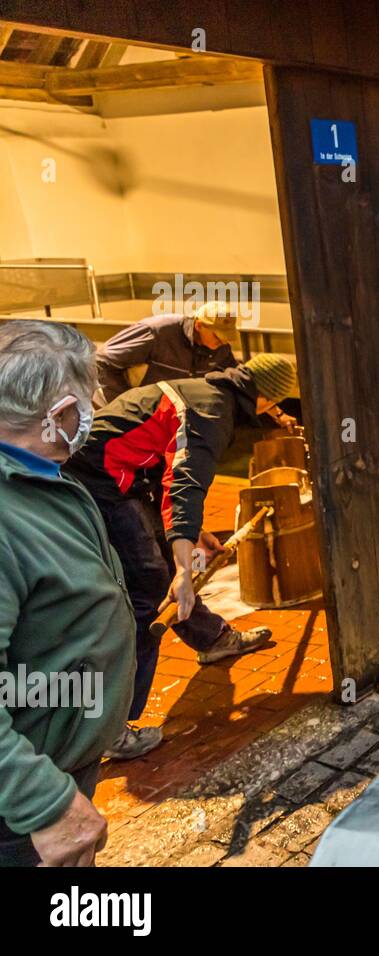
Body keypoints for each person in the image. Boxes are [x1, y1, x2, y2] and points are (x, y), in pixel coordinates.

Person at [64, 354, 300, 760]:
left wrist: (193, 535)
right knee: (150, 590)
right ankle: (108, 727)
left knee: (160, 573)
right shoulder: (211, 412)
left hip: (121, 474)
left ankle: (212, 639)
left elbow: (161, 466)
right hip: (100, 478)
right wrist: (183, 569)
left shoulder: (205, 390)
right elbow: (185, 485)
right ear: (264, 397)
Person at [0, 320, 135, 866]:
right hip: (18, 808)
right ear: (56, 416)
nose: (97, 407)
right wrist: (47, 805)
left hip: (61, 758)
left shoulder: (36, 473)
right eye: (87, 399)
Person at [95, 300, 240, 406]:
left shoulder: (221, 349)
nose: (223, 342)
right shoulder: (157, 332)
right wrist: (124, 406)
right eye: (217, 336)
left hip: (168, 414)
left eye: (227, 337)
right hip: (130, 409)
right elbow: (102, 361)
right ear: (199, 325)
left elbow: (234, 376)